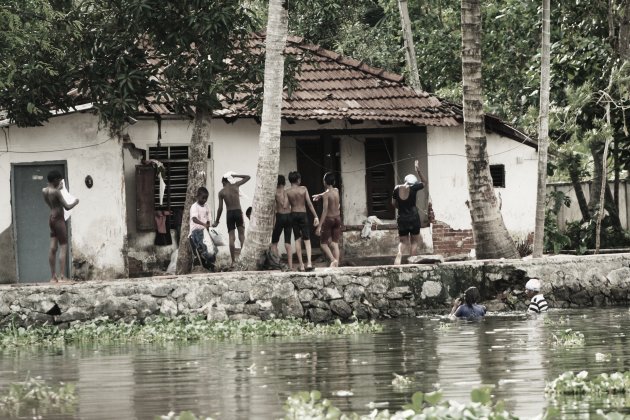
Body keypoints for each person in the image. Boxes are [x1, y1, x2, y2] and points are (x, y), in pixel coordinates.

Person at [42, 170, 79, 282]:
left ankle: (53, 277)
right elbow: (67, 207)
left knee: (53, 247)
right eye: (59, 180)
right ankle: (62, 276)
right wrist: (76, 202)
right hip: (59, 219)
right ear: (55, 180)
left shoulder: (44, 190)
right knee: (63, 246)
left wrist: (58, 189)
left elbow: (50, 203)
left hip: (51, 218)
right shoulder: (57, 192)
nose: (60, 182)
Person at [392, 160, 427, 265]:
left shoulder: (396, 188)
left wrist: (401, 208)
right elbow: (425, 183)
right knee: (414, 242)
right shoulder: (414, 187)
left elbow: (393, 203)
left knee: (403, 241)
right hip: (413, 217)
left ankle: (399, 253)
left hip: (402, 218)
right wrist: (418, 171)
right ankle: (412, 263)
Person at [213, 172, 251, 263]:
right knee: (241, 236)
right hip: (238, 212)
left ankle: (233, 261)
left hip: (229, 214)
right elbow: (248, 177)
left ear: (224, 181)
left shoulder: (221, 192)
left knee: (231, 237)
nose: (222, 184)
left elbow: (220, 208)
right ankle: (243, 259)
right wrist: (236, 175)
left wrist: (217, 221)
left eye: (222, 183)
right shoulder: (236, 185)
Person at [286, 171, 319, 271]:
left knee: (297, 239)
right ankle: (309, 263)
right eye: (299, 179)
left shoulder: (287, 191)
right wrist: (316, 216)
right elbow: (309, 204)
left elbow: (285, 206)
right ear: (297, 180)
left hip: (293, 214)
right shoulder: (303, 189)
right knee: (307, 239)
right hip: (303, 214)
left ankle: (301, 265)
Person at [314, 172, 341, 267]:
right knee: (335, 243)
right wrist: (320, 195)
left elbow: (324, 211)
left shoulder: (326, 195)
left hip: (329, 219)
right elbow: (327, 193)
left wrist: (319, 226)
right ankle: (336, 265)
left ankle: (333, 260)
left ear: (325, 182)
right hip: (338, 219)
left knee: (323, 244)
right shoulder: (337, 190)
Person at [189, 187, 215, 270]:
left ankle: (209, 266)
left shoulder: (207, 206)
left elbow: (209, 219)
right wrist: (204, 224)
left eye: (206, 198)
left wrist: (208, 227)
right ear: (197, 196)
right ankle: (205, 265)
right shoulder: (194, 206)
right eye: (203, 198)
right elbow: (194, 219)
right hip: (195, 231)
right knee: (202, 250)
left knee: (211, 250)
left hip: (204, 231)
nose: (204, 200)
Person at [271, 175, 293, 270]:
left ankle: (279, 265)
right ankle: (291, 266)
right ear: (284, 183)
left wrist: (272, 224)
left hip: (280, 217)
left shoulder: (275, 193)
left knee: (274, 243)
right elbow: (288, 205)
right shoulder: (288, 192)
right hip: (289, 216)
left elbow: (273, 210)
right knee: (287, 243)